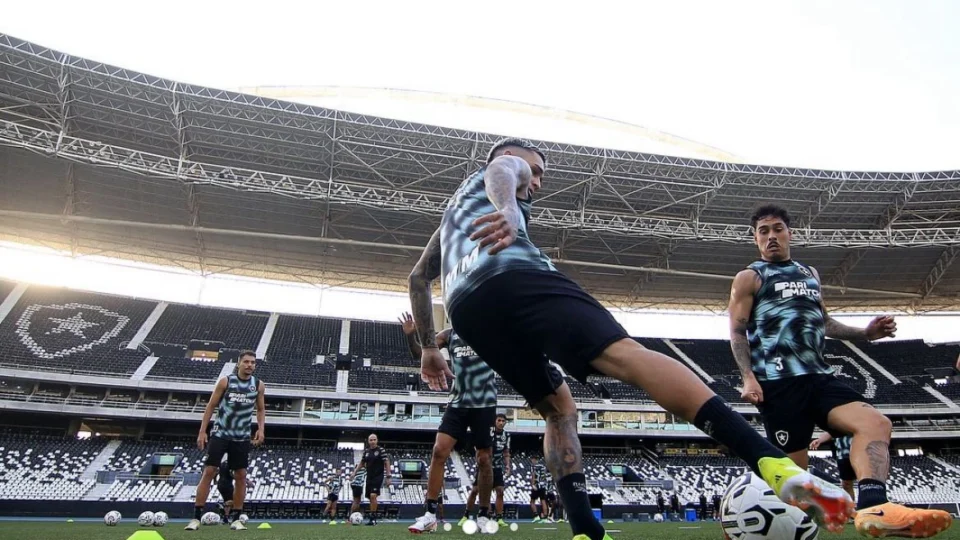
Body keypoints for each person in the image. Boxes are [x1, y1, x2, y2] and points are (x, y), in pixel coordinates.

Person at [408, 138, 854, 540]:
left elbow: (417, 278)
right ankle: (771, 463)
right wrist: (509, 209)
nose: (537, 183)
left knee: (558, 409)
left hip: (467, 309)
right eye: (537, 171)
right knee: (628, 357)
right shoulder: (505, 168)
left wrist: (429, 347)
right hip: (512, 274)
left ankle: (586, 531)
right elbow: (504, 169)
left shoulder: (453, 216)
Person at [729, 204, 951, 538]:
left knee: (876, 423)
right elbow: (737, 331)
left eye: (777, 229)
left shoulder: (810, 274)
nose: (771, 236)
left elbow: (826, 322)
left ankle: (874, 506)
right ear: (755, 239)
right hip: (779, 385)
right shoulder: (750, 277)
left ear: (790, 233)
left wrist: (866, 334)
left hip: (819, 377)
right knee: (794, 480)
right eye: (764, 231)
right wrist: (748, 377)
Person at [400, 311, 497, 534]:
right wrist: (410, 336)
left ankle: (483, 515)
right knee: (439, 451)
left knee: (484, 458)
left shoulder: (490, 331)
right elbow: (421, 354)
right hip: (458, 402)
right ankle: (429, 515)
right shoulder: (449, 335)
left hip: (484, 402)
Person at [187, 351, 265, 531]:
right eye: (246, 362)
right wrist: (202, 431)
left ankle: (236, 519)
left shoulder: (258, 385)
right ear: (239, 363)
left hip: (241, 436)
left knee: (241, 475)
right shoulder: (226, 382)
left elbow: (260, 409)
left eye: (253, 362)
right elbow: (211, 406)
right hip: (221, 433)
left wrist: (261, 429)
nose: (249, 365)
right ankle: (196, 517)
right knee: (209, 471)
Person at [461, 413, 512, 527]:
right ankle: (466, 515)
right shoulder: (488, 433)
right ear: (495, 421)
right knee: (475, 490)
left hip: (497, 467)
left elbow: (506, 452)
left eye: (503, 421)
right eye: (499, 420)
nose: (501, 423)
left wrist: (508, 465)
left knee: (500, 491)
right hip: (484, 467)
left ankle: (499, 518)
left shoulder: (507, 435)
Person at [214, 422, 260, 524]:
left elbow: (216, 472)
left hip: (220, 484)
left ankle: (226, 516)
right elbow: (233, 474)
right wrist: (246, 481)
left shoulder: (222, 464)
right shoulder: (230, 464)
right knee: (235, 501)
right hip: (227, 484)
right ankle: (227, 512)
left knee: (230, 500)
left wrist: (214, 481)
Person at [350, 433, 391, 525]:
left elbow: (386, 462)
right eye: (371, 440)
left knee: (373, 495)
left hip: (378, 476)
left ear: (377, 440)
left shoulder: (381, 450)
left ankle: (373, 519)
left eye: (374, 439)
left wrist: (388, 476)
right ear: (368, 441)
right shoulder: (367, 452)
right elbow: (362, 463)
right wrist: (354, 472)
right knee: (370, 497)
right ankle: (372, 517)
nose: (373, 441)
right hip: (369, 477)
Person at [810, 433, 856, 501]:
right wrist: (820, 440)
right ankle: (851, 505)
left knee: (865, 481)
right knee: (846, 484)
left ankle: (867, 505)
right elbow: (832, 431)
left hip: (861, 451)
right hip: (843, 453)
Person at [529, 455, 549, 522]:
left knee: (532, 502)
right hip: (543, 485)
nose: (532, 460)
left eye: (533, 459)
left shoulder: (533, 466)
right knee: (543, 501)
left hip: (537, 485)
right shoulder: (543, 466)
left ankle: (536, 516)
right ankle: (545, 518)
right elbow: (545, 476)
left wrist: (532, 484)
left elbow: (533, 475)